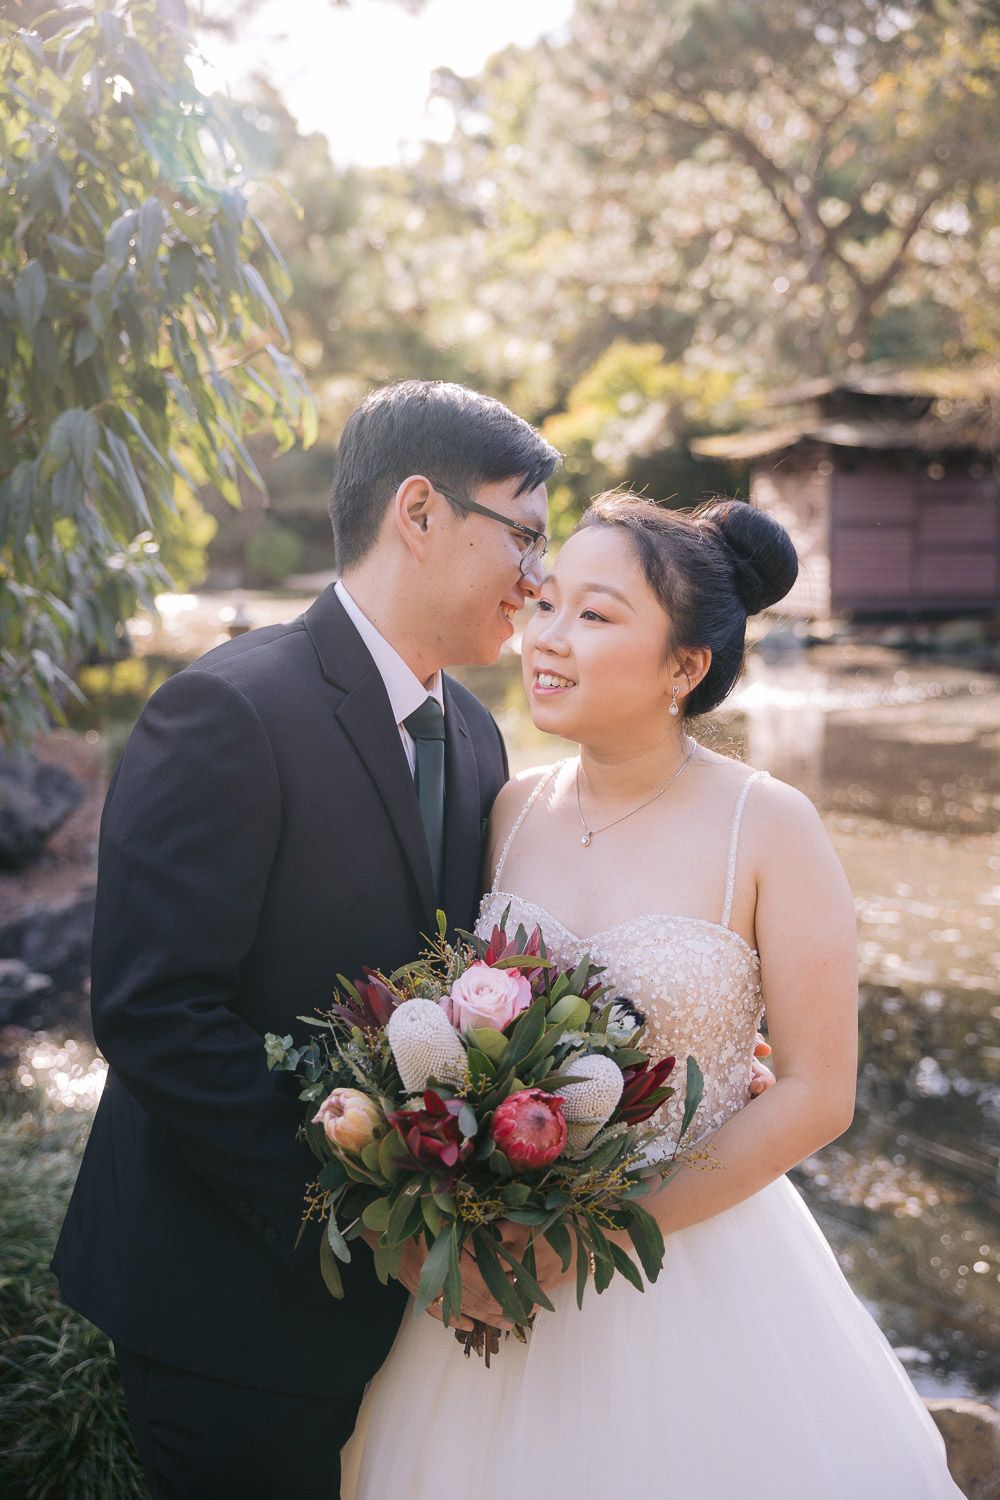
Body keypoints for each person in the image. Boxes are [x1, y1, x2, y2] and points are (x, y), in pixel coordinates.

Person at [342, 493, 963, 1499]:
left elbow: (817, 1092)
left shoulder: (767, 827)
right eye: (545, 604)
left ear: (686, 666)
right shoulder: (511, 806)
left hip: (689, 1263)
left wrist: (584, 1235)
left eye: (595, 615)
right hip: (500, 1268)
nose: (546, 637)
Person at [50, 380, 560, 1499]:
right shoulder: (227, 709)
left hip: (404, 1321)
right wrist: (380, 1228)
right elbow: (154, 1012)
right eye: (522, 533)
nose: (539, 576)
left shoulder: (474, 734)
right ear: (418, 513)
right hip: (224, 1302)